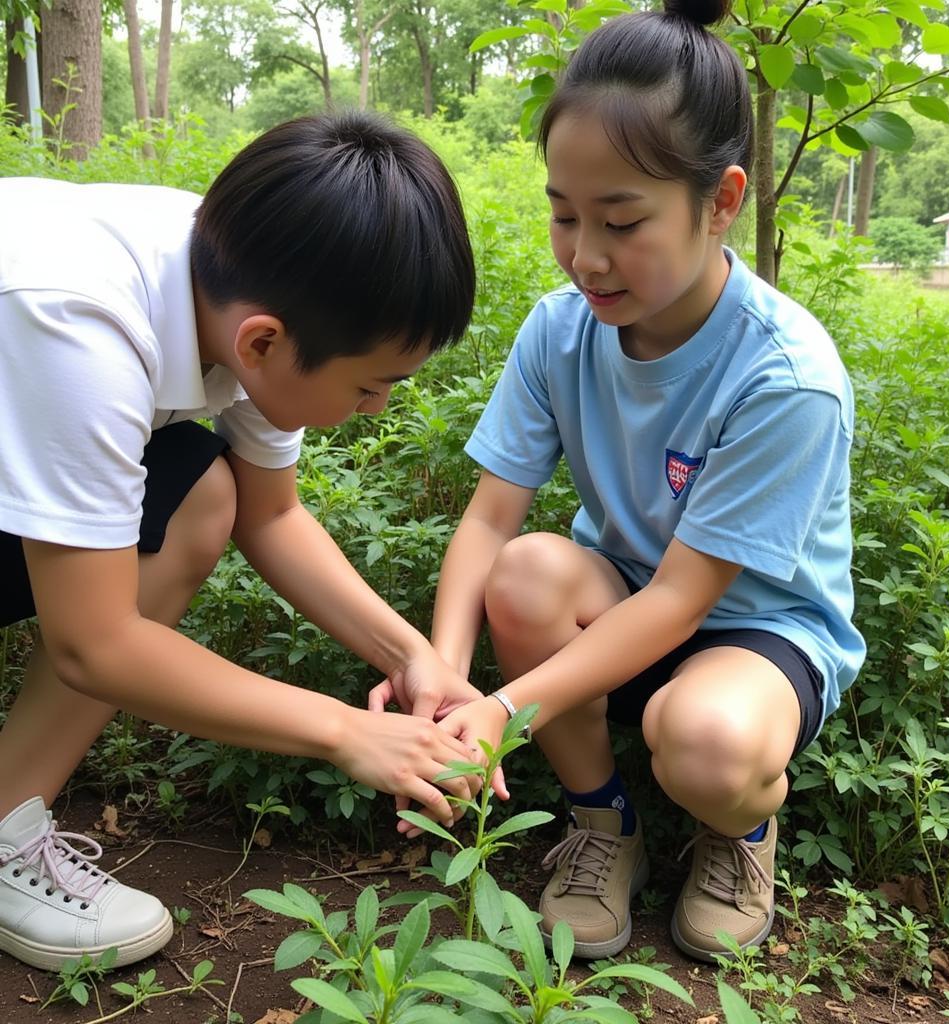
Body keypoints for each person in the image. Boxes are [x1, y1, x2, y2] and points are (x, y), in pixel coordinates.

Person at [410, 0, 866, 963]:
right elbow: (491, 522)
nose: (586, 256)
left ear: (722, 200)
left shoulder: (787, 377)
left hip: (757, 631)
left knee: (705, 740)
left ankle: (736, 832)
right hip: (619, 594)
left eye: (622, 221)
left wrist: (500, 715)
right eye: (564, 214)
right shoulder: (560, 328)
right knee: (527, 574)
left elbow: (680, 601)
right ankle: (603, 824)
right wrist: (446, 676)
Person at [0, 111, 486, 972]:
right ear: (262, 342)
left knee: (200, 495)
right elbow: (94, 642)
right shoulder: (78, 321)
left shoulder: (247, 271)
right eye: (371, 386)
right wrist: (345, 732)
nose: (377, 409)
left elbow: (272, 515)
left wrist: (413, 656)